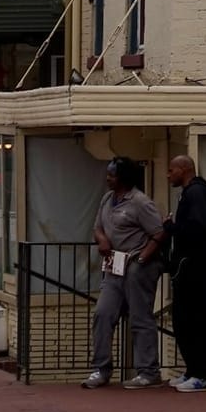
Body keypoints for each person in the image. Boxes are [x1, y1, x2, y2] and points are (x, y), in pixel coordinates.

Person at [83, 158, 165, 390]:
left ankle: (148, 371)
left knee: (140, 318)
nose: (108, 178)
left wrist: (141, 258)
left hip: (137, 266)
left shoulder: (140, 202)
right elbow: (97, 227)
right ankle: (101, 369)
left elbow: (159, 233)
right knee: (103, 314)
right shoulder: (107, 199)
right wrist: (103, 241)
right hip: (113, 266)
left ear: (124, 178)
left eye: (112, 174)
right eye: (108, 173)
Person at [165, 156, 206, 393]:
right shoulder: (189, 193)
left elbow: (197, 228)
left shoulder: (196, 193)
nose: (168, 175)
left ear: (184, 169)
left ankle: (204, 374)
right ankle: (193, 369)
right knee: (182, 319)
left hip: (196, 268)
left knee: (196, 320)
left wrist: (171, 228)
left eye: (171, 170)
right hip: (188, 267)